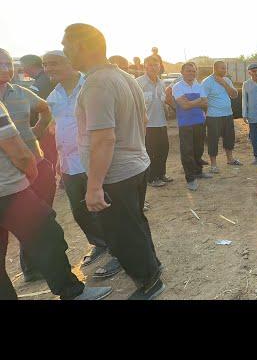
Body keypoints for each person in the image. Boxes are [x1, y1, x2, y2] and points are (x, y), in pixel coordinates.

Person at [62, 22, 165, 300]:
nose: (64, 50)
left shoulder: (97, 83)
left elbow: (104, 139)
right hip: (134, 165)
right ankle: (152, 267)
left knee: (122, 233)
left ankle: (149, 281)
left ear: (82, 46)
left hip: (115, 174)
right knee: (135, 223)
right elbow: (142, 121)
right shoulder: (124, 77)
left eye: (66, 44)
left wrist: (94, 186)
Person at [0, 101, 112, 300]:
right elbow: (19, 153)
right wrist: (31, 173)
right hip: (9, 191)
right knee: (47, 238)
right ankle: (72, 292)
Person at [43, 50, 121, 278]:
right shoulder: (54, 95)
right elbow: (57, 127)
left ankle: (120, 253)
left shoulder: (91, 86)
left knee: (107, 210)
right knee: (80, 212)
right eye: (45, 64)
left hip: (93, 162)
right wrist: (59, 158)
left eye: (54, 63)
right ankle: (101, 244)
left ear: (71, 62)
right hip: (69, 164)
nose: (48, 69)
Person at [0, 49, 56, 282]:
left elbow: (45, 110)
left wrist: (37, 131)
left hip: (35, 165)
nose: (6, 67)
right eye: (0, 63)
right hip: (8, 177)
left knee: (39, 222)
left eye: (7, 62)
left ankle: (35, 268)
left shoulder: (21, 93)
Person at [171, 62, 212, 191]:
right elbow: (184, 106)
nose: (191, 73)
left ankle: (198, 172)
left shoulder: (198, 85)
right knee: (187, 151)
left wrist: (192, 102)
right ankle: (190, 178)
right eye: (188, 71)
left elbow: (205, 102)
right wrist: (198, 101)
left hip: (199, 121)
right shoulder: (178, 87)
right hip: (185, 124)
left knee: (198, 149)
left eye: (193, 71)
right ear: (182, 72)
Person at [19, 54, 58, 183]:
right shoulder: (49, 79)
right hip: (53, 122)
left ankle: (48, 180)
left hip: (45, 125)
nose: (22, 70)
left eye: (23, 66)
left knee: (47, 155)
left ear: (29, 66)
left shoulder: (39, 83)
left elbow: (34, 107)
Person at [137, 56, 173, 188]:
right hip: (147, 125)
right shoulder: (138, 83)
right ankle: (152, 178)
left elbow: (164, 102)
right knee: (151, 152)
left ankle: (161, 174)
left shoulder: (162, 83)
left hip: (161, 123)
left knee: (163, 150)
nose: (153, 67)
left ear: (160, 66)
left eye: (156, 65)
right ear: (144, 66)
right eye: (150, 65)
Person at [201, 61, 241, 173]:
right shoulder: (207, 82)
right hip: (213, 116)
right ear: (215, 69)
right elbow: (203, 99)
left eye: (225, 68)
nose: (225, 70)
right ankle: (213, 165)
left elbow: (234, 95)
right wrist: (205, 114)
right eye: (222, 68)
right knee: (213, 140)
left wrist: (224, 83)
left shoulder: (227, 80)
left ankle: (230, 159)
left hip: (228, 114)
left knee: (229, 138)